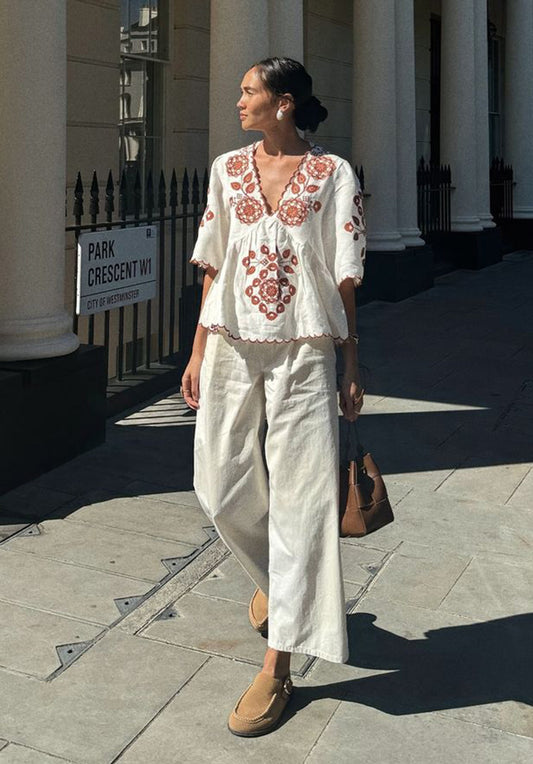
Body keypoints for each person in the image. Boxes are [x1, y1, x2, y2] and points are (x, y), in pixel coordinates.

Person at [180, 56, 366, 737]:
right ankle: (279, 584)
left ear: (283, 103)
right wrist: (197, 350)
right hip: (231, 341)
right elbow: (214, 260)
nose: (239, 101)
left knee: (301, 500)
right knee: (218, 485)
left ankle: (276, 663)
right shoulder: (227, 170)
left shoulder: (332, 174)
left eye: (248, 92)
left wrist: (351, 361)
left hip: (306, 348)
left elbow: (344, 275)